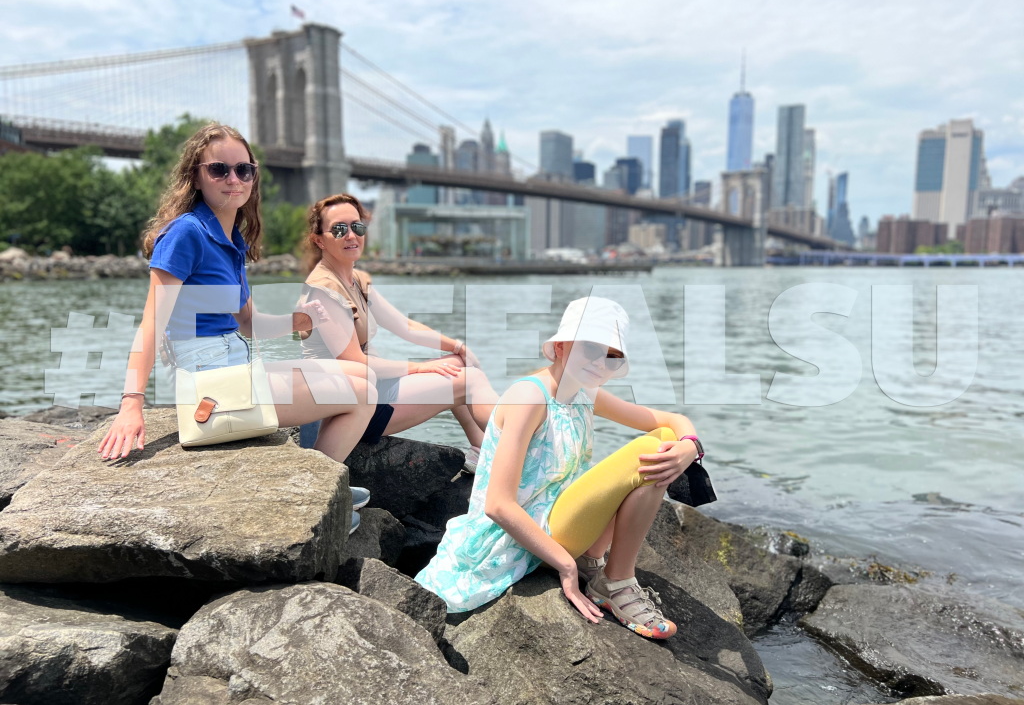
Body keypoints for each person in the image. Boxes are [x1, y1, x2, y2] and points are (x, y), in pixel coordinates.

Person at [97, 124, 378, 517]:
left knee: (360, 376)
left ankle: (322, 485)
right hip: (210, 387)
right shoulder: (186, 234)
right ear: (195, 175)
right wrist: (131, 404)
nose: (234, 179)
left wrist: (296, 321)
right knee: (362, 391)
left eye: (244, 170)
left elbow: (247, 324)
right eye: (219, 170)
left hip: (234, 367)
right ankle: (319, 503)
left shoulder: (232, 242)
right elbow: (150, 325)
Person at [415, 297, 703, 640]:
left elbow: (669, 421)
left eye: (612, 357)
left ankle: (596, 563)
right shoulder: (529, 397)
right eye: (592, 348)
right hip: (522, 536)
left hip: (562, 523)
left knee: (666, 438)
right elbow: (497, 504)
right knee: (650, 450)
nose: (600, 363)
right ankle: (616, 583)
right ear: (563, 345)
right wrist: (565, 567)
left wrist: (690, 446)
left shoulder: (584, 392)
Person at [295, 193, 498, 463]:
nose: (351, 235)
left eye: (357, 226)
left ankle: (482, 448)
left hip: (372, 387)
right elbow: (354, 362)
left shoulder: (355, 278)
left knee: (458, 364)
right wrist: (418, 367)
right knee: (471, 381)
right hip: (349, 407)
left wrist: (457, 346)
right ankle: (520, 449)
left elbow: (404, 326)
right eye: (339, 229)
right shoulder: (323, 290)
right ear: (319, 239)